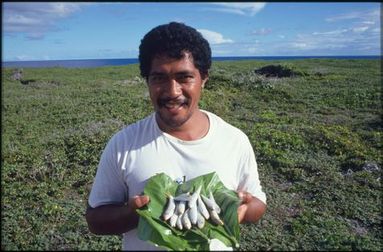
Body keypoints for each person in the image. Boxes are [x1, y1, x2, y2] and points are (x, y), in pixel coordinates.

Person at [85, 22, 267, 251]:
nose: (172, 91)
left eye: (185, 77)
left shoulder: (234, 140)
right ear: (147, 81)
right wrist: (133, 214)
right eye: (158, 78)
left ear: (204, 78)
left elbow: (258, 204)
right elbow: (94, 220)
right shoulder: (123, 144)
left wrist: (241, 210)